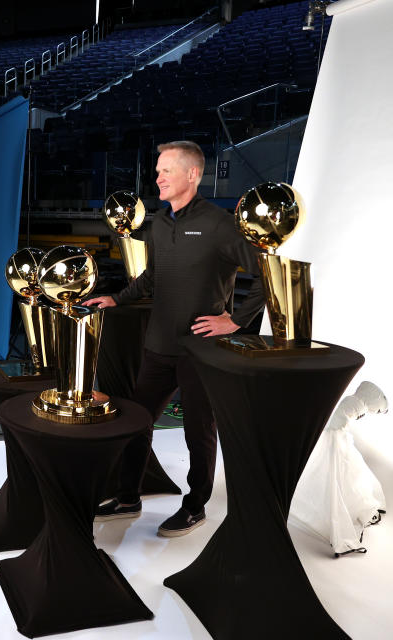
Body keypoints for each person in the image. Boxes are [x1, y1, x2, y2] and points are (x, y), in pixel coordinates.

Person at [84, 141, 265, 537]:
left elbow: (268, 272)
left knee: (198, 431)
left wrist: (234, 322)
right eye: (158, 170)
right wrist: (117, 297)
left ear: (193, 175)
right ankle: (128, 496)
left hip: (200, 351)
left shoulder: (220, 225)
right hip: (158, 345)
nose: (158, 177)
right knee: (135, 421)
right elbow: (152, 277)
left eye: (167, 170)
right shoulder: (160, 224)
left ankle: (195, 505)